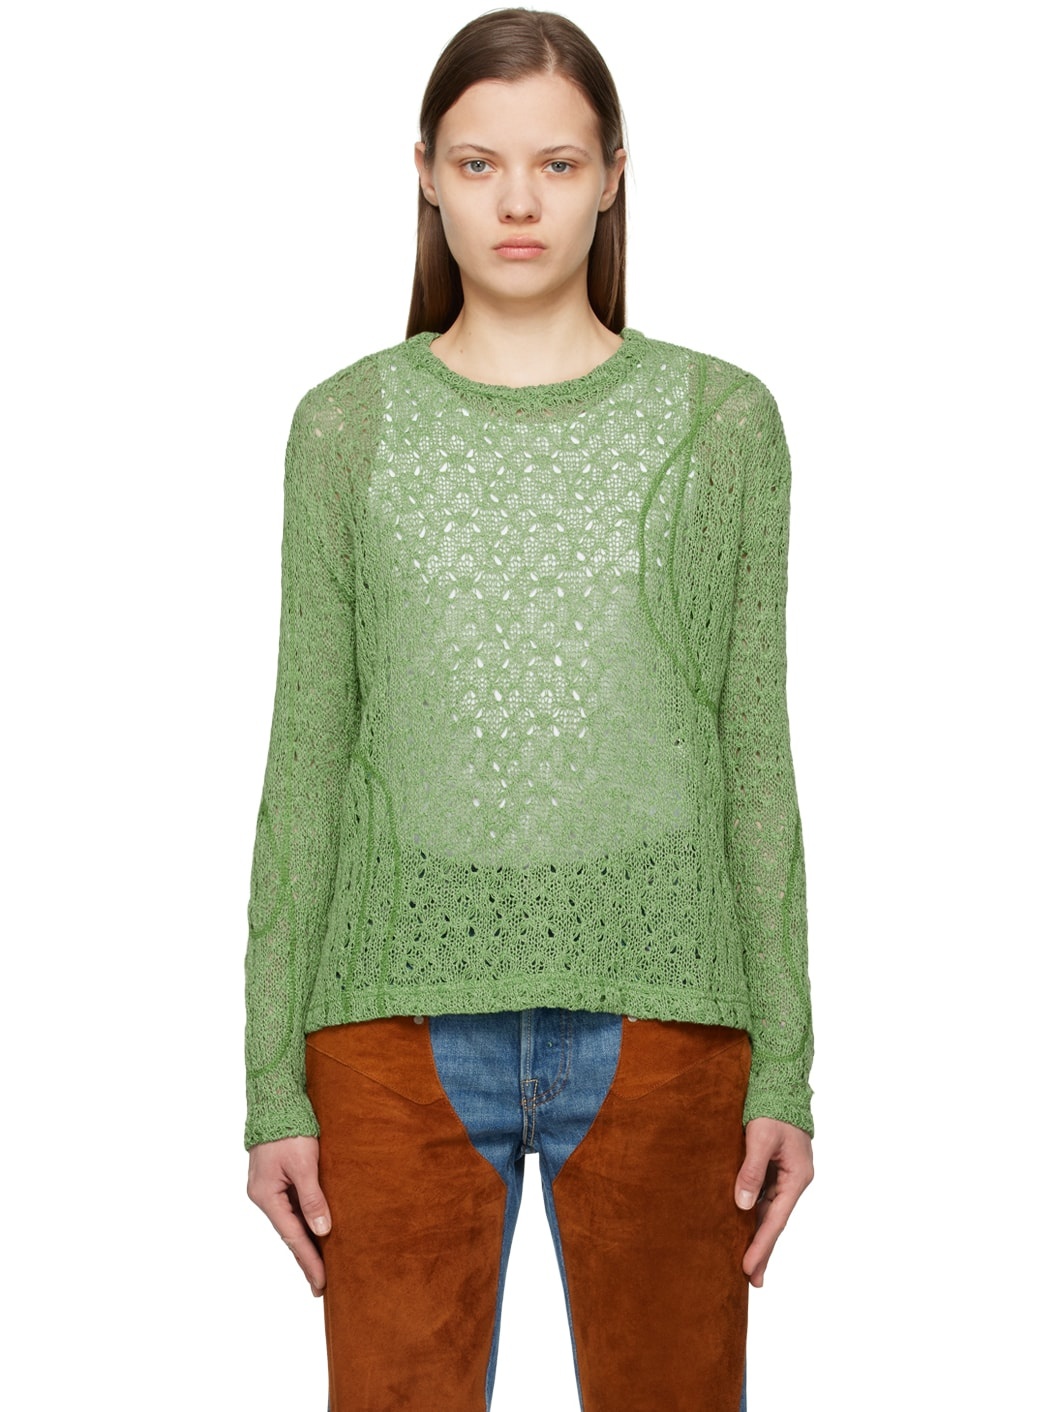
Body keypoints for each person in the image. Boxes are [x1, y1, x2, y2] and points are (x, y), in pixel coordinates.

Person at [243, 9, 814, 1410]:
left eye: (556, 164)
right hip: (387, 1032)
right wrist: (269, 1087)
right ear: (425, 174)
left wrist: (786, 1070)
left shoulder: (721, 423)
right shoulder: (345, 428)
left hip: (670, 1019)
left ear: (613, 176)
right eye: (479, 162)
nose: (517, 202)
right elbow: (308, 755)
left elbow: (754, 754)